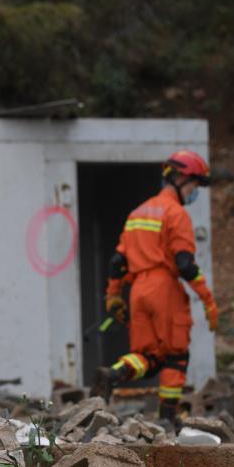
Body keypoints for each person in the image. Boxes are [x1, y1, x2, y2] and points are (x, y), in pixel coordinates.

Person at [92, 149, 218, 421]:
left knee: (148, 357)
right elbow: (185, 264)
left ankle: (113, 373)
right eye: (194, 185)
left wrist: (114, 296)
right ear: (181, 179)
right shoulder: (176, 214)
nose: (194, 192)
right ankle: (167, 418)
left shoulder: (137, 213)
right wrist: (208, 300)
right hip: (164, 290)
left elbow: (118, 262)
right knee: (175, 357)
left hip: (138, 291)